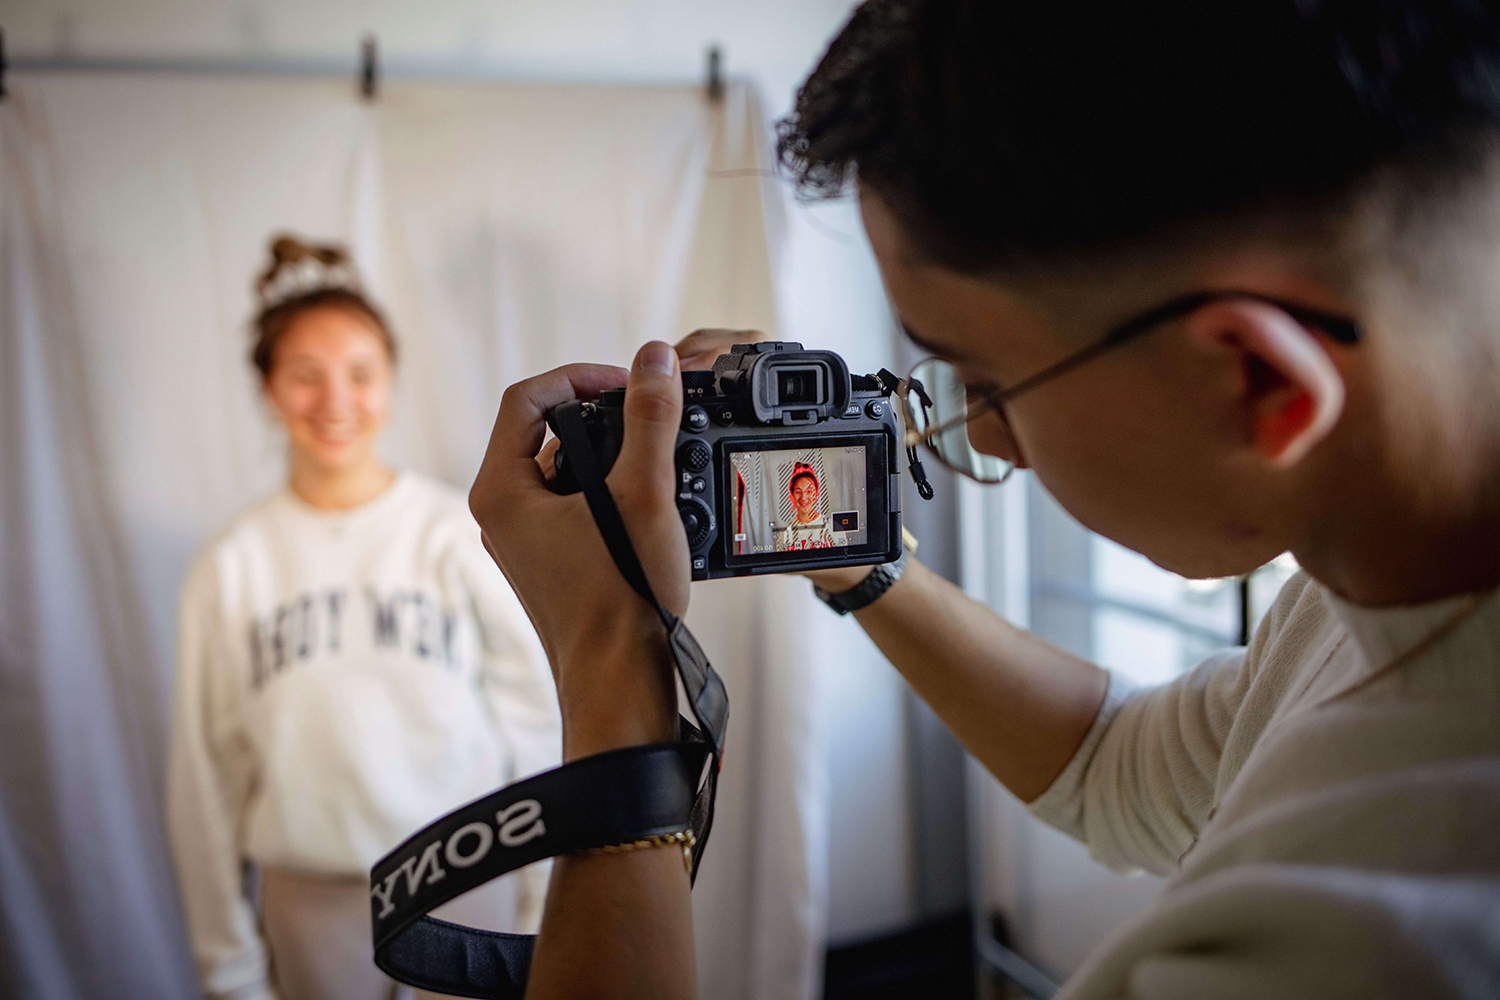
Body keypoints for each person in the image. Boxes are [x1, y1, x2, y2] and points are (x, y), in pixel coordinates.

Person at [468, 2, 1500, 998]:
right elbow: (1123, 767)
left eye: (988, 380)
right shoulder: (1379, 578)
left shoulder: (1373, 943)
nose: (982, 431)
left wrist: (610, 663)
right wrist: (846, 542)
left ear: (1257, 384)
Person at [167, 236, 560, 1000]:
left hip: (471, 878)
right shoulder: (232, 565)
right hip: (311, 901)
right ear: (269, 388)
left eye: (359, 373)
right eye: (305, 376)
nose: (335, 401)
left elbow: (535, 722)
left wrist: (547, 894)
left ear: (389, 380)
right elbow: (204, 778)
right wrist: (228, 964)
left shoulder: (460, 531)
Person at [775, 464, 849, 550]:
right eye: (798, 492)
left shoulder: (832, 528)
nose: (803, 497)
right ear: (792, 496)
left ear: (817, 494)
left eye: (809, 491)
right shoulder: (785, 533)